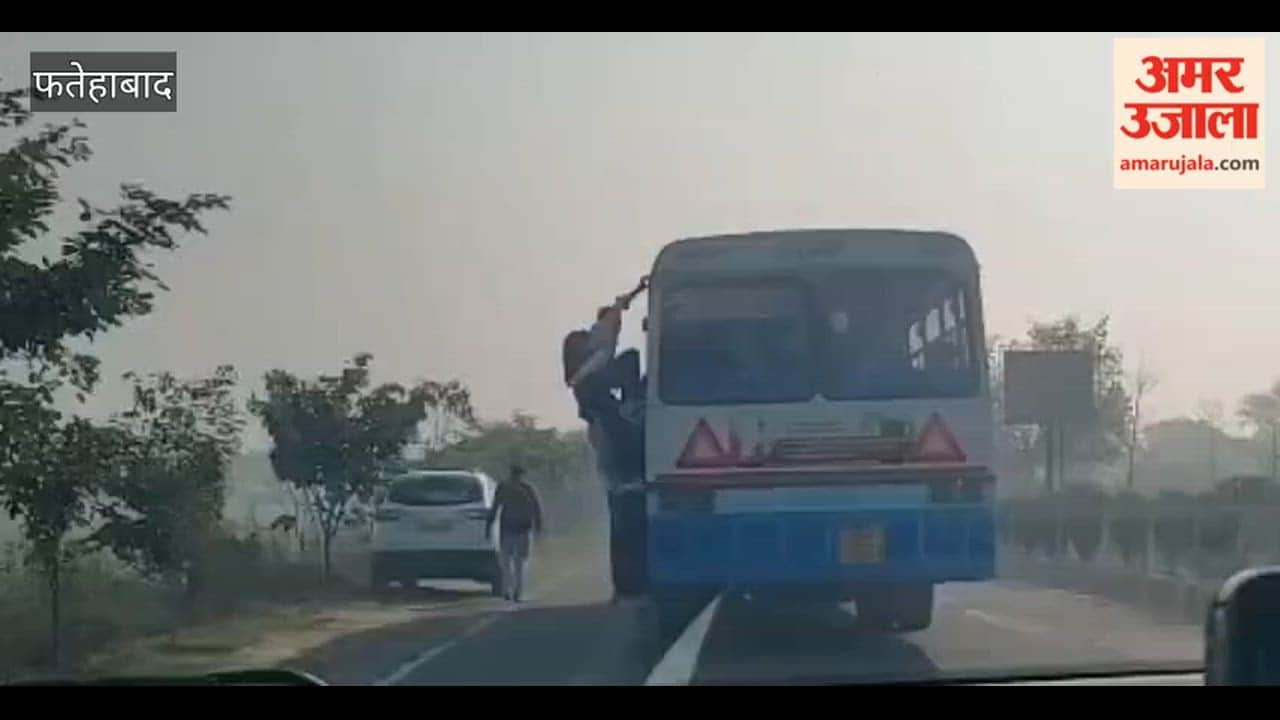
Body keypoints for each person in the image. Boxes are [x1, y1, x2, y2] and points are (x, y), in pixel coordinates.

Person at [565, 278, 649, 601]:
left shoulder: (588, 377)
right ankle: (627, 584)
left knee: (623, 516)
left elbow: (607, 328)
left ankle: (627, 584)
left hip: (614, 446)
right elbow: (606, 334)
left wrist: (630, 297)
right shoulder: (590, 376)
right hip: (616, 448)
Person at [485, 465, 543, 603]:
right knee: (515, 564)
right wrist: (538, 527)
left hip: (513, 530)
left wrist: (489, 526)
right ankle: (513, 591)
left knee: (510, 564)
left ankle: (511, 591)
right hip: (516, 530)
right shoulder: (525, 489)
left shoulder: (509, 488)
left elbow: (495, 508)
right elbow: (536, 510)